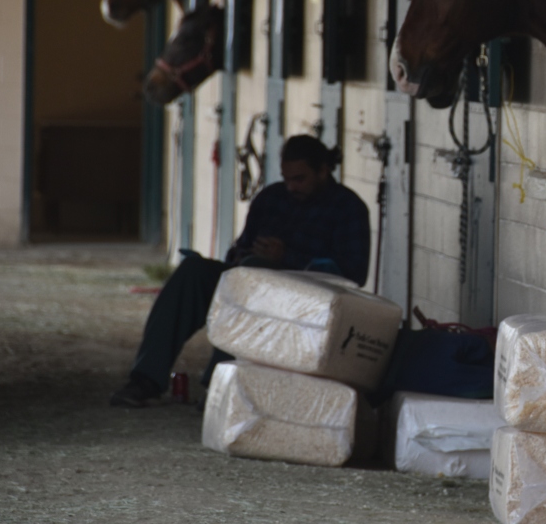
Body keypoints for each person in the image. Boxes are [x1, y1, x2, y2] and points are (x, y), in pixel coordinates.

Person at [110, 135, 370, 407]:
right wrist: (248, 252)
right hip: (248, 280)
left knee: (251, 274)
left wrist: (287, 257)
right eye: (287, 178)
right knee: (194, 270)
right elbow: (237, 250)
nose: (291, 186)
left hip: (304, 301)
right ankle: (145, 378)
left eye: (300, 179)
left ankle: (219, 384)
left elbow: (353, 274)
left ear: (323, 171)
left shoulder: (348, 208)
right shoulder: (272, 197)